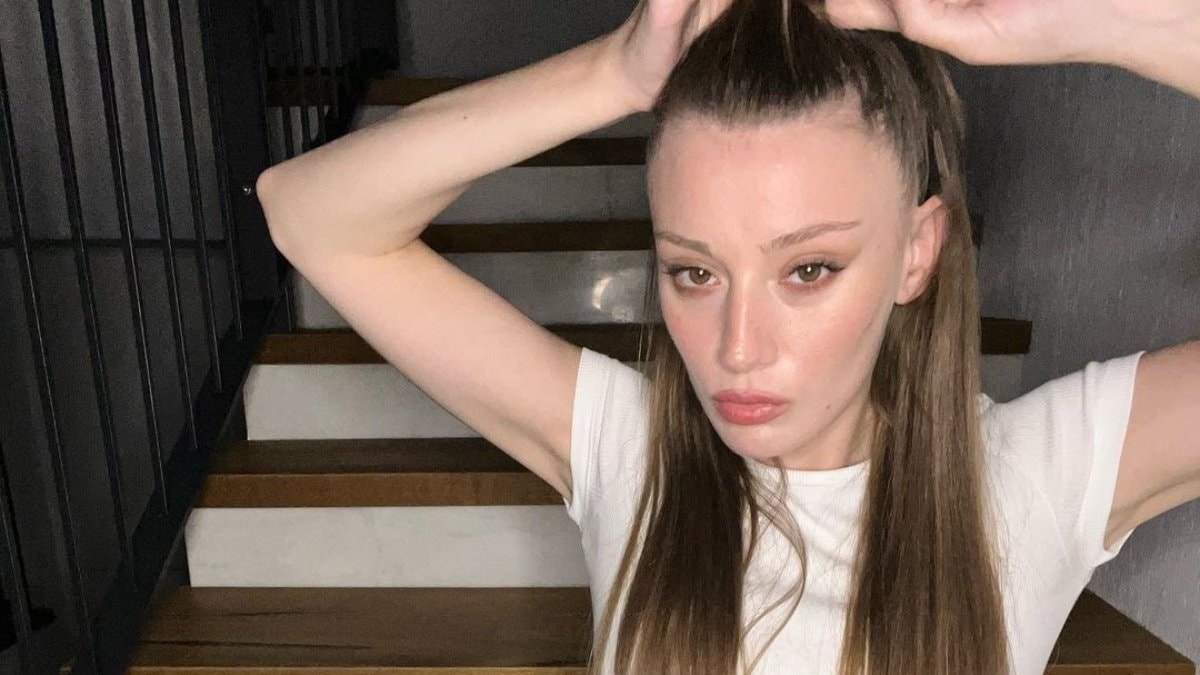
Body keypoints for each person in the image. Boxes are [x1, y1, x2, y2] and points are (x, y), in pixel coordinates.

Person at [254, 0, 1200, 673]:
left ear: (917, 253)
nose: (738, 348)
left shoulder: (1042, 473)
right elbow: (309, 212)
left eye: (808, 269)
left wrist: (1112, 22)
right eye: (695, 272)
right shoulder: (630, 451)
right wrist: (611, 73)